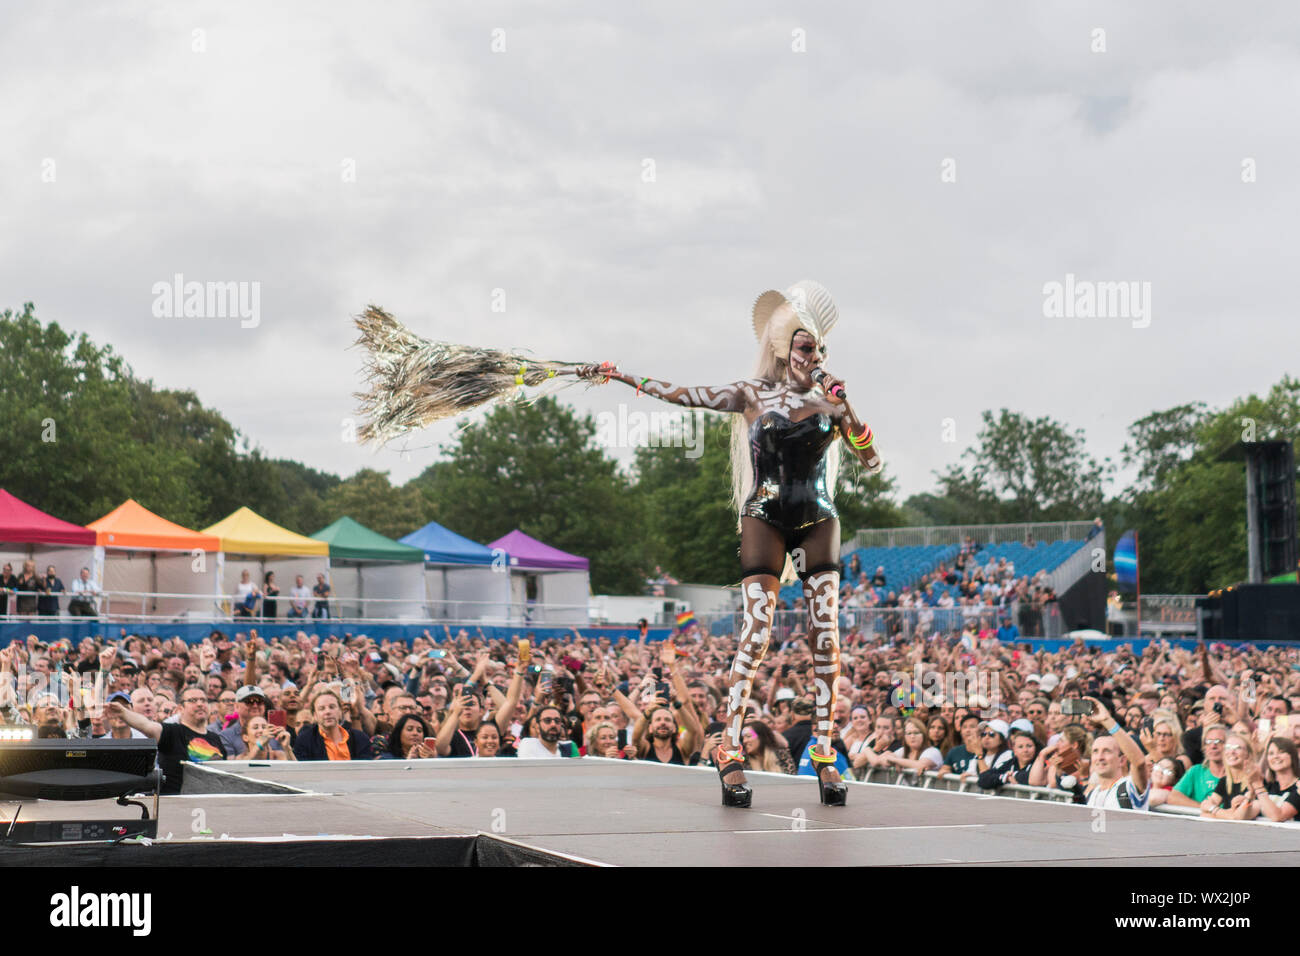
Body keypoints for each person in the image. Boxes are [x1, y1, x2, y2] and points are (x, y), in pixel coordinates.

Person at [581, 280, 881, 809]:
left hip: (818, 517)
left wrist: (845, 404)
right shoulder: (750, 393)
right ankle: (729, 744)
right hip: (765, 512)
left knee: (825, 633)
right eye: (805, 346)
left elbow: (871, 458)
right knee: (758, 630)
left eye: (819, 349)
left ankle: (825, 748)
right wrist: (625, 376)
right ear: (784, 348)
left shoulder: (830, 401)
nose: (813, 356)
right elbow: (682, 393)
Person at [109, 688, 228, 794]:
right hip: (176, 805)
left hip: (212, 801)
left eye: (203, 700)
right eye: (193, 700)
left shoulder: (215, 738)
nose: (200, 704)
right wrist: (123, 712)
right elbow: (147, 725)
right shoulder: (172, 732)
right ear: (180, 708)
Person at [1082, 697, 1150, 811]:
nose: (1100, 757)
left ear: (1122, 760)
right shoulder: (1091, 794)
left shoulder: (1128, 787)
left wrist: (1107, 720)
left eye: (1107, 751)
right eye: (1095, 752)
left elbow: (1139, 763)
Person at [292, 690, 373, 760]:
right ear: (315, 715)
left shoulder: (360, 738)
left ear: (340, 712)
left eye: (332, 707)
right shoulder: (305, 740)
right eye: (321, 709)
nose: (328, 712)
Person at [1165, 724, 1226, 807]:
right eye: (1208, 742)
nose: (1213, 746)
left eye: (1218, 742)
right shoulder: (1196, 771)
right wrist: (1204, 808)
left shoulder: (1237, 774)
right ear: (1204, 747)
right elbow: (1173, 797)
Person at [1201, 731, 1254, 820]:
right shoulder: (1224, 781)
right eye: (1228, 747)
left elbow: (1236, 817)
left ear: (1248, 754)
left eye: (1238, 748)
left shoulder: (1254, 782)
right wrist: (1226, 812)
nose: (1232, 752)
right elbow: (1204, 811)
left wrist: (1213, 809)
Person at [1252, 737, 1300, 823]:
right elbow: (1244, 814)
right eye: (1271, 753)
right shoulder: (1267, 786)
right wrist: (1245, 801)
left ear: (1292, 756)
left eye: (1281, 752)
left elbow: (1279, 817)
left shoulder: (1298, 787)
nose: (1276, 756)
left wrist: (1258, 786)